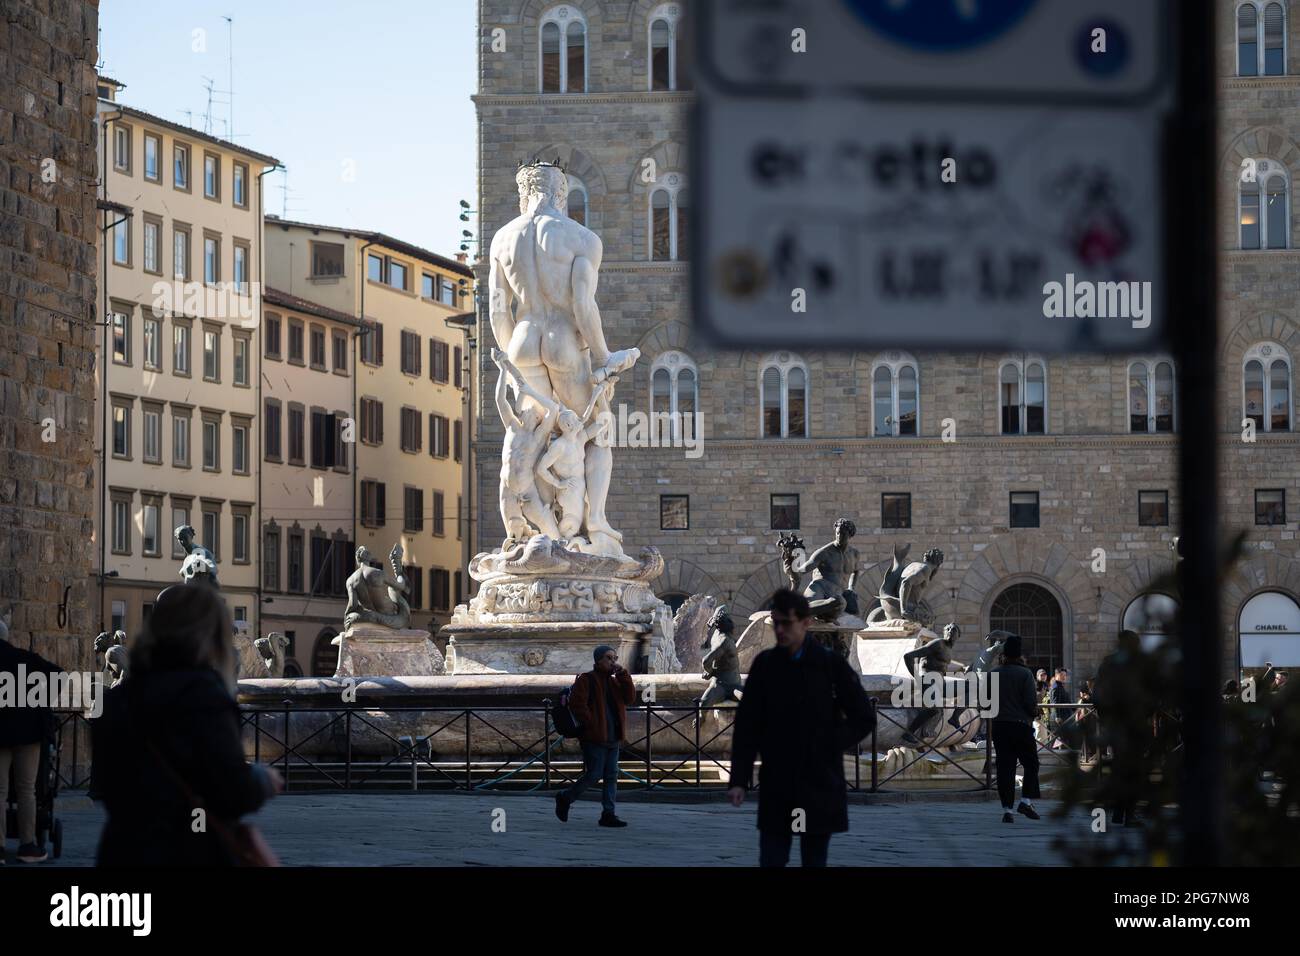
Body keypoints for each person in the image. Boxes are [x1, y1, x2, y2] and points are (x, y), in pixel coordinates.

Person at [91, 584, 282, 865]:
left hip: (123, 851)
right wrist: (263, 779)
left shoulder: (118, 698)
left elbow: (103, 784)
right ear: (210, 635)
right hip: (189, 850)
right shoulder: (204, 696)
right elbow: (230, 789)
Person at [727, 589, 874, 867]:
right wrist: (738, 780)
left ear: (805, 622)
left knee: (814, 861)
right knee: (771, 859)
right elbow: (747, 726)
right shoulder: (765, 665)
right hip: (778, 783)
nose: (780, 630)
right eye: (776, 622)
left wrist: (830, 742)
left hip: (819, 781)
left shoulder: (830, 664)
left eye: (787, 623)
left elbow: (863, 716)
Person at [0, 626, 64, 864]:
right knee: (28, 790)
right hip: (28, 732)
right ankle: (28, 845)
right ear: (7, 637)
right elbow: (59, 675)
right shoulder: (25, 659)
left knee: (0, 791)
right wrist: (39, 701)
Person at [555, 645, 635, 827]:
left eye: (614, 658)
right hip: (594, 737)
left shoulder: (615, 681)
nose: (612, 661)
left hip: (613, 736)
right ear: (598, 660)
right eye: (608, 658)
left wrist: (623, 674)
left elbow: (630, 698)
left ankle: (608, 813)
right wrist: (591, 724)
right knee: (594, 774)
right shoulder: (586, 679)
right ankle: (565, 797)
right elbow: (577, 704)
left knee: (611, 775)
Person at [991, 634, 1041, 823]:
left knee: (1005, 769)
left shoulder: (993, 673)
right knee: (1032, 764)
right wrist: (1035, 712)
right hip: (1021, 726)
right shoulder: (1025, 674)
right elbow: (1030, 703)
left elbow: (985, 702)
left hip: (999, 726)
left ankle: (1007, 811)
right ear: (1019, 655)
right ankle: (1025, 801)